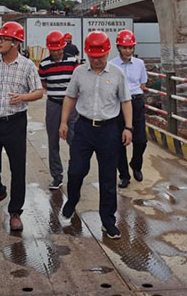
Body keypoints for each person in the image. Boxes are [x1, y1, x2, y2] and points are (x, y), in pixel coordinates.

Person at [59, 31, 133, 239]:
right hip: (84, 128)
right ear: (87, 53)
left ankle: (108, 221)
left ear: (107, 52)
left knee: (108, 178)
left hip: (109, 130)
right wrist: (64, 122)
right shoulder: (79, 72)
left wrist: (128, 128)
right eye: (92, 56)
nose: (96, 60)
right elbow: (70, 97)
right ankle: (72, 199)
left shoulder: (117, 74)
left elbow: (126, 101)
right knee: (76, 170)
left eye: (100, 56)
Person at [0, 21, 43, 232]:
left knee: (17, 168)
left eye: (4, 39)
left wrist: (23, 97)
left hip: (15, 123)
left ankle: (15, 212)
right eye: (0, 39)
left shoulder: (27, 66)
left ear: (15, 43)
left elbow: (39, 91)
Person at [38, 30, 79, 190]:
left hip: (71, 105)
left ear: (63, 47)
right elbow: (44, 84)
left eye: (58, 49)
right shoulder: (44, 64)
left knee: (74, 139)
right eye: (53, 50)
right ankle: (57, 176)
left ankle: (75, 172)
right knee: (53, 141)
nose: (56, 52)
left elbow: (77, 82)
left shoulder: (73, 61)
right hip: (54, 104)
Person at [110, 30, 148, 187]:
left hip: (136, 102)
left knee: (141, 140)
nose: (128, 51)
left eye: (130, 48)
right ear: (118, 47)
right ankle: (124, 175)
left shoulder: (140, 64)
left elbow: (143, 84)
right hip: (118, 104)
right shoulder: (112, 65)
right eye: (125, 47)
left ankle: (136, 164)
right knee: (119, 142)